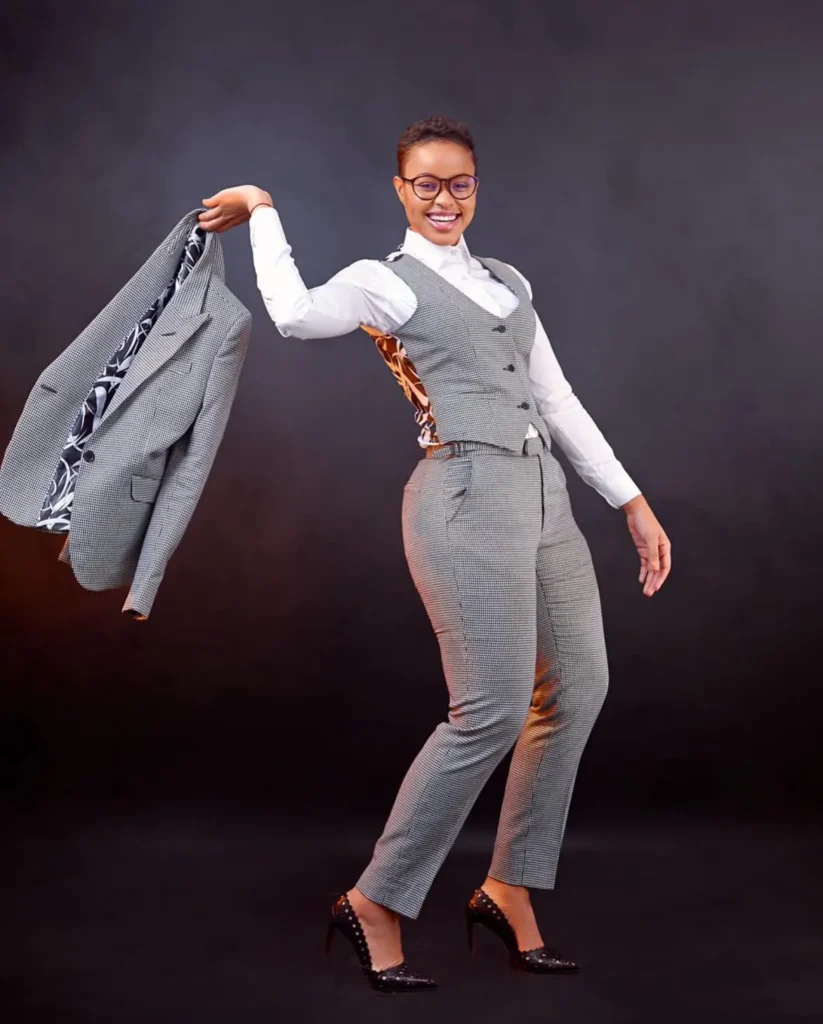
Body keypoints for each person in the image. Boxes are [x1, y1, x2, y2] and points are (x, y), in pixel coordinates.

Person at [197, 114, 671, 992]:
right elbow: (295, 317)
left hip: (544, 498)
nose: (444, 199)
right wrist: (263, 208)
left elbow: (557, 401)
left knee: (578, 686)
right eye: (426, 184)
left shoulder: (508, 282)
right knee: (488, 708)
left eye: (459, 184)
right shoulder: (382, 281)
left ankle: (507, 887)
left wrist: (630, 502)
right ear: (401, 189)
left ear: (476, 188)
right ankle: (373, 900)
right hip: (461, 498)